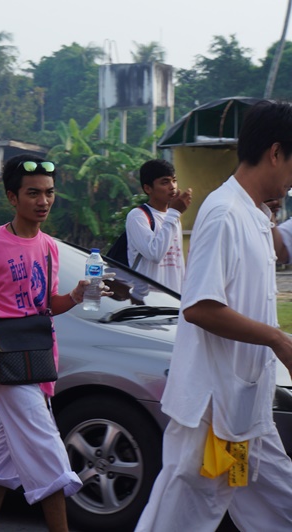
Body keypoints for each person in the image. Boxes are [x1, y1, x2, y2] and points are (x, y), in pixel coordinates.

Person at [136, 100, 292, 531]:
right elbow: (200, 307)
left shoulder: (256, 215)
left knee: (281, 509)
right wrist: (278, 341)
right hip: (211, 412)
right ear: (276, 153)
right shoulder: (225, 213)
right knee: (175, 520)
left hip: (245, 409)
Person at [0, 156, 92, 532]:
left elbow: (46, 305)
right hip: (7, 362)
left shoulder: (49, 247)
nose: (43, 201)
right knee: (50, 456)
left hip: (41, 359)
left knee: (2, 463)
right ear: (13, 197)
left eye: (49, 193)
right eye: (33, 194)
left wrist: (76, 295)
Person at [125, 159, 191, 296]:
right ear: (148, 188)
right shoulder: (138, 216)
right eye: (165, 182)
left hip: (173, 300)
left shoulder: (173, 218)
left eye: (174, 180)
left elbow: (178, 263)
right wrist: (174, 213)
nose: (172, 187)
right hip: (147, 300)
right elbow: (154, 254)